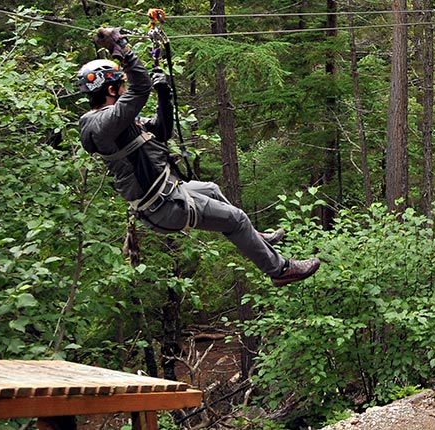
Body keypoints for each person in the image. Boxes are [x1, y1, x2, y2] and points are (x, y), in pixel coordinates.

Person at [77, 27, 319, 286]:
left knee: (212, 189)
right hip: (165, 206)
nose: (125, 89)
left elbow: (162, 131)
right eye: (122, 85)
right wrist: (122, 47)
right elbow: (140, 87)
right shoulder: (101, 125)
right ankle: (280, 270)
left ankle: (254, 238)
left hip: (167, 195)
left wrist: (164, 96)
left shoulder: (118, 123)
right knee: (236, 220)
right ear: (112, 90)